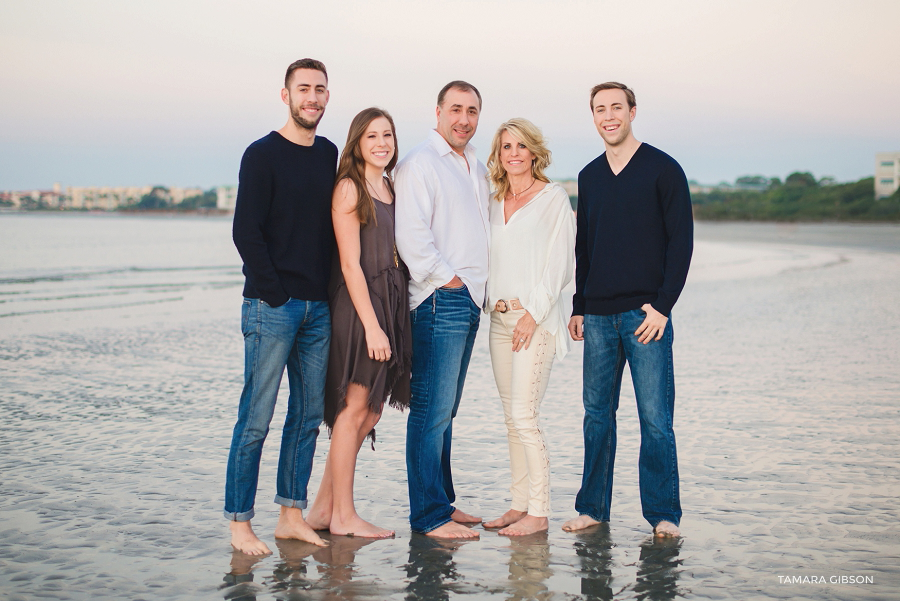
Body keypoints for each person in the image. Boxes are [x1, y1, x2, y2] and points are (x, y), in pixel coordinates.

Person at [563, 82, 693, 538]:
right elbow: (585, 245)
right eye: (600, 109)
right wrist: (579, 305)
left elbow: (682, 243)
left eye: (617, 107)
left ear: (632, 111)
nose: (608, 116)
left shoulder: (663, 169)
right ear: (594, 117)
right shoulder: (588, 175)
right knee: (596, 417)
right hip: (597, 317)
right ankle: (593, 508)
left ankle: (664, 515)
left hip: (646, 318)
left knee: (656, 420)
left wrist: (662, 307)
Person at [225, 58, 337, 554]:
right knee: (257, 417)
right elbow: (245, 232)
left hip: (319, 309)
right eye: (303, 89)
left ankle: (291, 514)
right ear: (286, 94)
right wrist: (276, 293)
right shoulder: (261, 154)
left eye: (320, 89)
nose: (312, 97)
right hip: (273, 307)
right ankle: (239, 522)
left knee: (308, 415)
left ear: (327, 97)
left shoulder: (329, 153)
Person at [305, 107, 411, 538]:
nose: (382, 143)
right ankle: (345, 517)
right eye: (372, 137)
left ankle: (322, 511)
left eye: (387, 135)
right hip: (359, 309)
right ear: (357, 143)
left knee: (371, 414)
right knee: (353, 410)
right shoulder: (349, 189)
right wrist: (372, 326)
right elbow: (350, 266)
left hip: (389, 303)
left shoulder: (387, 185)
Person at [395, 81, 491, 539]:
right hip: (440, 299)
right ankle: (428, 515)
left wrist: (474, 289)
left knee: (446, 410)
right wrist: (448, 280)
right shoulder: (420, 163)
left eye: (472, 111)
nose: (464, 119)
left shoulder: (474, 165)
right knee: (431, 409)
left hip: (469, 299)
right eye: (456, 109)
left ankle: (443, 503)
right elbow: (411, 237)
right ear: (437, 112)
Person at [481, 119, 575, 536]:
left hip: (533, 321)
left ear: (534, 152)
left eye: (521, 146)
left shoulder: (553, 198)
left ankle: (539, 512)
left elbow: (560, 264)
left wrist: (532, 314)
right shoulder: (492, 199)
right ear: (498, 155)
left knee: (525, 416)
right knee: (509, 417)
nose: (513, 153)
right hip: (497, 320)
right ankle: (519, 504)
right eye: (506, 147)